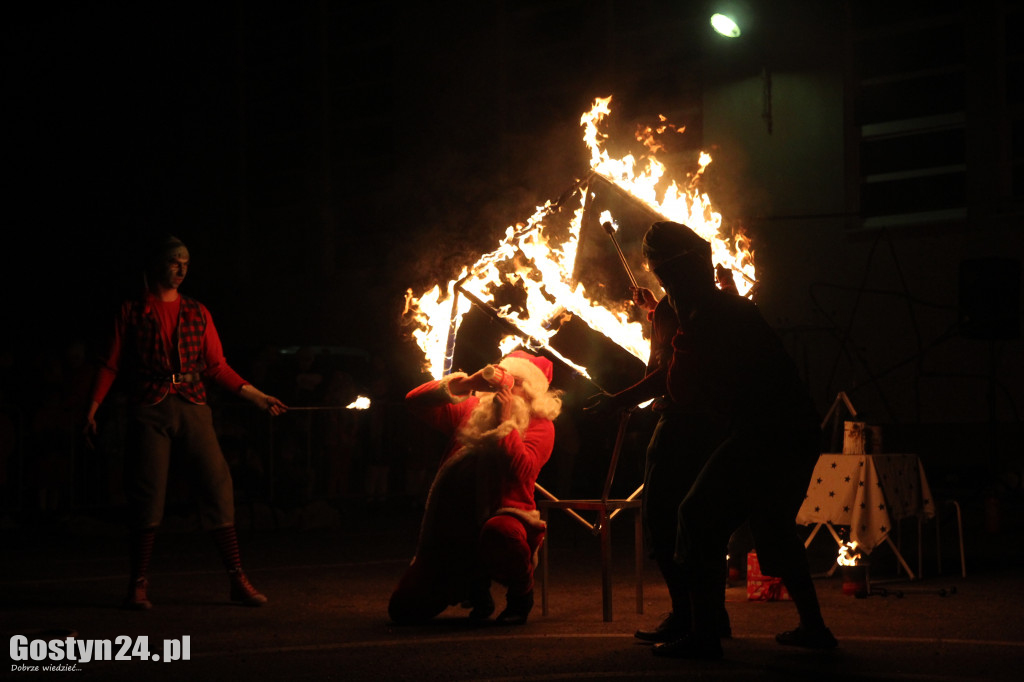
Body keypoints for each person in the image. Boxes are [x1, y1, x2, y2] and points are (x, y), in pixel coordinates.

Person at [84, 235, 288, 610]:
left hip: (193, 405)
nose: (180, 270)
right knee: (148, 495)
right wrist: (92, 407)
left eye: (186, 264)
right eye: (174, 262)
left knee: (217, 485)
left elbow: (216, 366)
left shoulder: (197, 311)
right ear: (156, 264)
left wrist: (258, 396)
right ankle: (138, 584)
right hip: (149, 407)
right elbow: (109, 363)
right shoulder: (131, 311)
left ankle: (236, 578)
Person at [584, 222, 735, 647]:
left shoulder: (684, 308)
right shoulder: (708, 302)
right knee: (702, 524)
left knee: (665, 521)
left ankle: (688, 618)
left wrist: (617, 400)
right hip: (715, 427)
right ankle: (710, 616)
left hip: (682, 426)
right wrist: (655, 311)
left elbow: (665, 377)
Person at [388, 350, 561, 626]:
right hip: (454, 527)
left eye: (514, 381)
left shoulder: (541, 424)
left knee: (500, 532)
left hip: (506, 517)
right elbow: (414, 400)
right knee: (403, 609)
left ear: (530, 390)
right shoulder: (473, 408)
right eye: (502, 378)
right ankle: (473, 584)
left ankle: (520, 596)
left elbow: (522, 471)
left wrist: (506, 423)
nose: (502, 386)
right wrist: (468, 383)